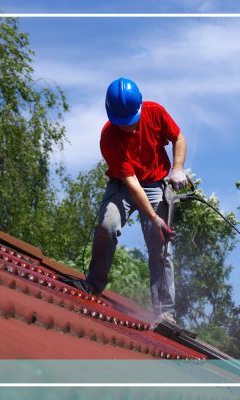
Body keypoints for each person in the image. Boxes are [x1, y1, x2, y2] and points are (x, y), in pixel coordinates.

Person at [75, 77, 187, 324]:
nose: (130, 128)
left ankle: (165, 312)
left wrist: (177, 168)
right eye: (123, 124)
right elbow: (133, 185)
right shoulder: (108, 138)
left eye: (133, 121)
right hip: (125, 186)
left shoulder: (155, 112)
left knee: (161, 244)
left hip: (156, 183)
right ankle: (94, 285)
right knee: (107, 226)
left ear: (139, 107)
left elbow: (179, 138)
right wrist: (154, 217)